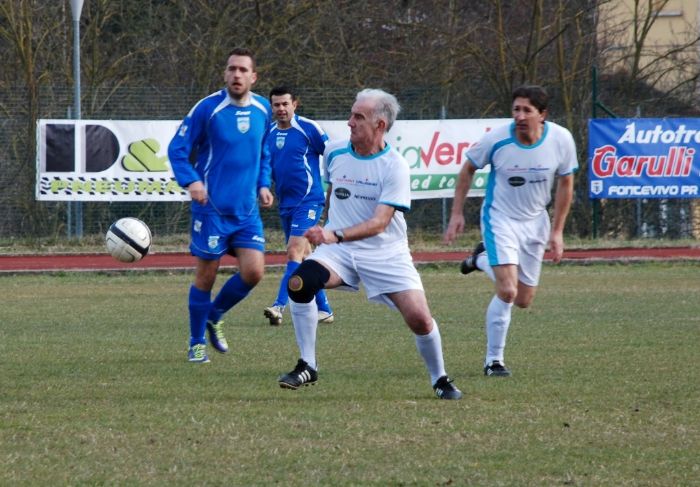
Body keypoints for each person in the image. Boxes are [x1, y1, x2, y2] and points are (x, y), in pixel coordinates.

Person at [277, 88, 463, 400]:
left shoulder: (395, 165)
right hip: (340, 252)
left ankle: (440, 378)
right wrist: (319, 226)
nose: (349, 122)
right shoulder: (335, 153)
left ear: (380, 125)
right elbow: (328, 192)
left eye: (358, 117)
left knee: (419, 318)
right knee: (300, 282)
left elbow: (379, 223)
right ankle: (307, 364)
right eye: (351, 114)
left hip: (386, 253)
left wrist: (333, 235)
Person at [443, 84, 577, 377]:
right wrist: (456, 214)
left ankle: (480, 259)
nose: (519, 115)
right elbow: (467, 169)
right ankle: (494, 360)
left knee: (523, 300)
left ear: (542, 115)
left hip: (535, 222)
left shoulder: (561, 140)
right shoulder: (497, 139)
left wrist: (557, 232)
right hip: (500, 219)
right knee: (507, 290)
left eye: (527, 110)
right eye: (516, 109)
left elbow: (566, 183)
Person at [167, 47, 274, 363]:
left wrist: (264, 183)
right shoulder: (208, 109)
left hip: (246, 211)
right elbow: (177, 149)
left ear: (253, 77)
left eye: (243, 70)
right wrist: (192, 181)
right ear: (225, 74)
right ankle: (196, 342)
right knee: (206, 277)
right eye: (232, 69)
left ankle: (214, 315)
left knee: (254, 273)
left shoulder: (263, 110)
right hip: (211, 209)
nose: (237, 75)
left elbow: (264, 152)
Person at [262, 86, 334, 326]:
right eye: (276, 105)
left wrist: (335, 186)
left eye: (285, 104)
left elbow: (333, 155)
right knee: (304, 256)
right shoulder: (269, 133)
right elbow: (265, 166)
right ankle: (324, 309)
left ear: (295, 104)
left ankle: (279, 305)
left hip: (309, 200)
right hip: (286, 204)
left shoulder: (308, 128)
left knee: (293, 251)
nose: (281, 109)